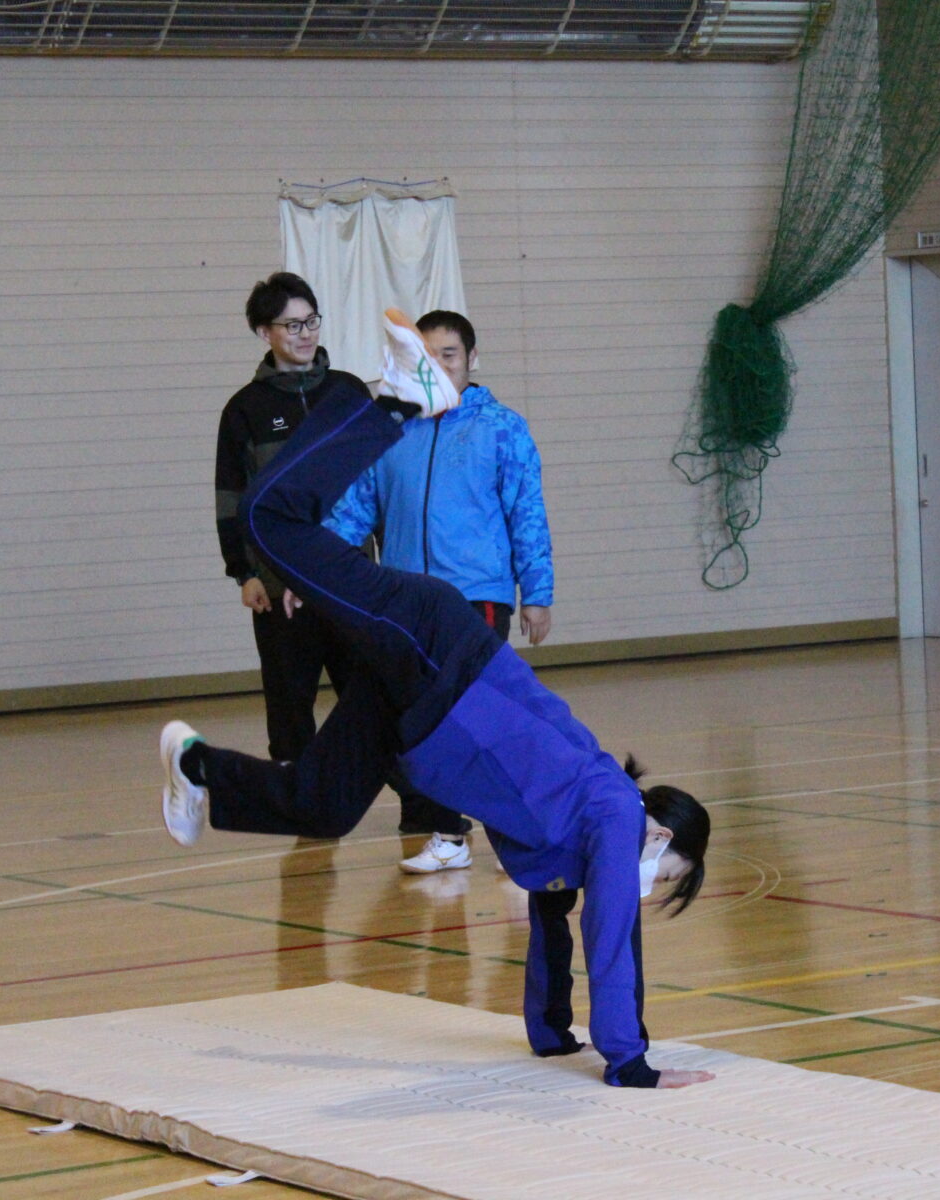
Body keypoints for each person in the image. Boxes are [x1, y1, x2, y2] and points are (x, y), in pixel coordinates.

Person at [158, 313, 713, 1088]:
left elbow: (558, 927)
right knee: (267, 522)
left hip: (413, 715)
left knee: (323, 807)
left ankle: (197, 766)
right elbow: (611, 939)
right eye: (667, 867)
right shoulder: (614, 814)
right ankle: (384, 400)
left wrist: (555, 1039)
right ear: (656, 828)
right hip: (440, 654)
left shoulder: (569, 849)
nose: (649, 884)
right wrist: (635, 1065)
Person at [326, 309, 555, 874]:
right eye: (425, 357)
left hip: (475, 596)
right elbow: (354, 510)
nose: (438, 367)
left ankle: (521, 832)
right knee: (419, 723)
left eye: (448, 355)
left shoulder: (501, 427)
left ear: (472, 360)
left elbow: (527, 513)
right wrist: (313, 573)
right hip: (404, 601)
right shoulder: (391, 430)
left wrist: (538, 592)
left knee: (483, 719)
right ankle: (448, 834)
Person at [215, 272, 366, 763]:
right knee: (288, 708)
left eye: (311, 322)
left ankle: (420, 809)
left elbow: (377, 482)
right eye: (292, 325)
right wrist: (243, 571)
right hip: (279, 588)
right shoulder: (245, 409)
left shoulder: (349, 393)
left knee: (372, 700)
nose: (305, 334)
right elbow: (230, 497)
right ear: (265, 333)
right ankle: (298, 808)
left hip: (350, 582)